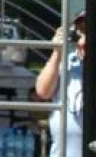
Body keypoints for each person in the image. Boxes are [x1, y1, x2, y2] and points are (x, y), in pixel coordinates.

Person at [36, 10, 86, 157]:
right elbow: (43, 91)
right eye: (81, 31)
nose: (83, 39)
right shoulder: (67, 62)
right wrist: (57, 51)